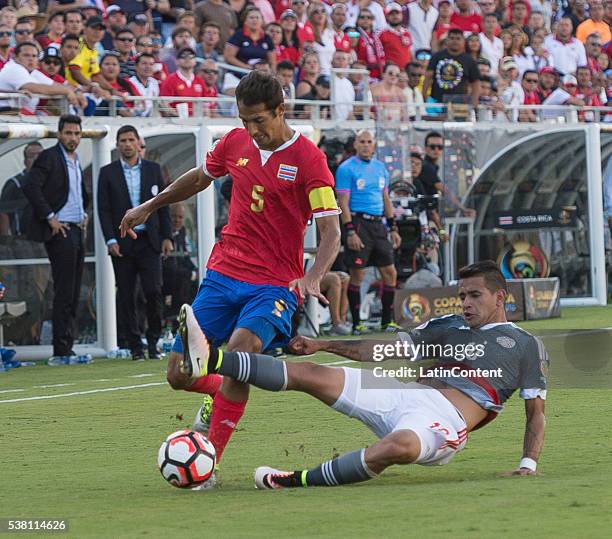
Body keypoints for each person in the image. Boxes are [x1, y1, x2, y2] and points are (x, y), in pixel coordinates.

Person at [119, 70, 341, 479]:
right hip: (223, 275)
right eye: (245, 120)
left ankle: (208, 464)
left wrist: (313, 276)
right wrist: (149, 206)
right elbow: (201, 177)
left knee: (240, 356)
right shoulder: (234, 142)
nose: (252, 130)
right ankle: (218, 393)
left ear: (280, 110)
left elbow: (331, 232)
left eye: (260, 120)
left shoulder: (310, 159)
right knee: (178, 374)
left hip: (273, 285)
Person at [176, 260, 548, 489]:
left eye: (475, 296)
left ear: (500, 297)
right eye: (463, 295)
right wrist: (324, 346)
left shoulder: (526, 346)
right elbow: (384, 350)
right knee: (310, 374)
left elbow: (536, 413)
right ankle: (210, 360)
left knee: (397, 447)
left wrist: (527, 465)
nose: (465, 303)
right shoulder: (447, 325)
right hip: (402, 393)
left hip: (442, 421)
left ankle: (293, 479)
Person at [97, 125, 172, 361]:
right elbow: (104, 210)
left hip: (149, 241)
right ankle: (134, 346)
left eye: (131, 139)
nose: (127, 144)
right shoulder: (107, 173)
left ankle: (153, 341)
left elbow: (163, 204)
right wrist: (110, 239)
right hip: (122, 242)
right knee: (127, 295)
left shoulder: (153, 170)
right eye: (122, 140)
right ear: (117, 144)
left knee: (153, 291)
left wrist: (167, 236)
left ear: (138, 143)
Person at [22, 115, 88, 361]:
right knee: (64, 291)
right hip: (61, 231)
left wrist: (84, 213)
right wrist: (50, 217)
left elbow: (76, 193)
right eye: (68, 133)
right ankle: (61, 348)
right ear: (59, 134)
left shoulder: (75, 159)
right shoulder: (49, 157)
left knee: (73, 291)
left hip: (76, 228)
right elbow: (31, 186)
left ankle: (67, 343)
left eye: (76, 133)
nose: (72, 138)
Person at [335, 129, 402, 335]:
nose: (365, 145)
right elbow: (343, 203)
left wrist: (393, 228)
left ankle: (386, 321)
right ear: (355, 144)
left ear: (374, 145)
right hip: (358, 223)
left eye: (369, 142)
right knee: (358, 274)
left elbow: (386, 199)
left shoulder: (381, 168)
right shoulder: (346, 169)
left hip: (378, 225)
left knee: (390, 273)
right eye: (362, 141)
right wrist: (349, 232)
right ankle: (357, 324)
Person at [0, 42, 80, 114]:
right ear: (15, 57)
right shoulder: (13, 68)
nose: (31, 59)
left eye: (34, 56)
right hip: (5, 114)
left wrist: (76, 92)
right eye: (26, 55)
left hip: (18, 115)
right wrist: (67, 90)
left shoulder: (32, 71)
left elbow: (56, 85)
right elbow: (34, 88)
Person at [424, 28, 481, 109]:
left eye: (458, 39)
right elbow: (428, 77)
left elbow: (476, 83)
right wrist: (425, 95)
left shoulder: (469, 60)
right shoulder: (437, 56)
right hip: (436, 102)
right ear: (447, 40)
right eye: (452, 38)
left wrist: (474, 101)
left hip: (460, 104)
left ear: (464, 41)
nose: (455, 41)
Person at [0, 141, 42, 236]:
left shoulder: (53, 181)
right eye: (32, 156)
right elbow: (3, 213)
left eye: (40, 156)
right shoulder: (15, 183)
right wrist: (5, 241)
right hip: (23, 239)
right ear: (25, 162)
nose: (36, 159)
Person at [159, 46, 206, 117]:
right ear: (176, 61)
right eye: (183, 56)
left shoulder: (200, 81)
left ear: (195, 61)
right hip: (176, 123)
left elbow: (205, 105)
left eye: (191, 56)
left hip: (197, 122)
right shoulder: (170, 80)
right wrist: (179, 116)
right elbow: (164, 104)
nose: (187, 59)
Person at [377, 3, 412, 70]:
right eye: (391, 14)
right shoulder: (381, 34)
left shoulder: (407, 33)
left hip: (405, 73)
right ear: (386, 16)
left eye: (397, 13)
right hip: (391, 72)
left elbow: (409, 53)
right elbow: (379, 56)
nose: (395, 16)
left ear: (402, 15)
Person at [129, 52, 160, 117]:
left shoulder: (154, 82)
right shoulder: (129, 83)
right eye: (144, 63)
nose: (148, 67)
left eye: (151, 64)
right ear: (136, 66)